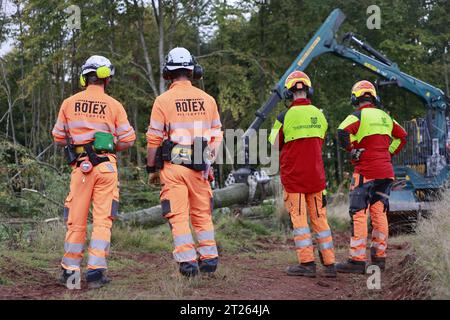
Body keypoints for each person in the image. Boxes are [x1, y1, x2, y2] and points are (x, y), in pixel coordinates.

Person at [52, 55, 136, 288]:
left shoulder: (69, 103)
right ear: (106, 78)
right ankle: (96, 273)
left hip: (81, 168)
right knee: (102, 220)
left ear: (84, 77)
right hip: (106, 168)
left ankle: (71, 274)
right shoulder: (114, 105)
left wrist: (78, 141)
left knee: (76, 220)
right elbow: (128, 139)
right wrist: (109, 145)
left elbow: (58, 137)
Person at [146, 47, 223, 277]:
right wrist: (207, 162)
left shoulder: (163, 100)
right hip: (199, 168)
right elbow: (216, 135)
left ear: (167, 73)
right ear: (193, 71)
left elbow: (154, 139)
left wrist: (152, 168)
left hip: (174, 168)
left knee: (178, 216)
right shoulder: (208, 100)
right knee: (202, 214)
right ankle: (209, 261)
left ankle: (188, 265)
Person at [269, 71, 336, 278]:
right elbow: (321, 140)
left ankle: (307, 264)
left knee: (300, 221)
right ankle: (330, 264)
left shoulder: (283, 117)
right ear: (308, 90)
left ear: (289, 93)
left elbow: (273, 143)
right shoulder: (319, 115)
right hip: (316, 178)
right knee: (320, 219)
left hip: (294, 179)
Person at [336, 80, 407, 274]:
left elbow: (342, 130)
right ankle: (379, 258)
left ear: (355, 98)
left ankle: (356, 261)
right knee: (379, 214)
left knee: (359, 213)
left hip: (366, 172)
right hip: (385, 173)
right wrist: (389, 153)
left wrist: (352, 150)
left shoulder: (357, 115)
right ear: (374, 97)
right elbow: (403, 135)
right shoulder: (386, 117)